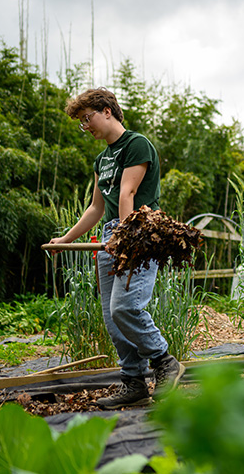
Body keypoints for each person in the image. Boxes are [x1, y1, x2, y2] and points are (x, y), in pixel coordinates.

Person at [49, 87, 185, 409]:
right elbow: (97, 208)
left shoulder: (136, 145)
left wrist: (126, 241)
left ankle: (165, 361)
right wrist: (65, 240)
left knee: (124, 307)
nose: (87, 126)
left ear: (107, 110)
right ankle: (134, 382)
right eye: (82, 122)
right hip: (112, 235)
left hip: (137, 232)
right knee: (113, 320)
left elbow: (128, 195)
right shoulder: (102, 158)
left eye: (88, 118)